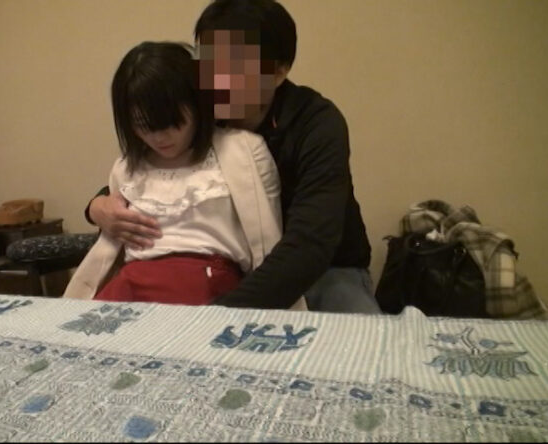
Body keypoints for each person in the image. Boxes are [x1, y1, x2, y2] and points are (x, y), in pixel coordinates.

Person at [85, 0, 381, 313]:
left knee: (364, 336)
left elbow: (311, 243)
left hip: (323, 270)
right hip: (237, 271)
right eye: (208, 63)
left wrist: (220, 315)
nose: (216, 80)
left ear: (278, 71)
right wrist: (97, 206)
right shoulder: (202, 116)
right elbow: (153, 176)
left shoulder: (316, 123)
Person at [63, 41, 285, 306]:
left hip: (209, 279)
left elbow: (270, 233)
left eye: (172, 122)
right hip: (132, 282)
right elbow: (114, 236)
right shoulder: (126, 168)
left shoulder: (244, 150)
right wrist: (97, 208)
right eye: (143, 126)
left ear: (196, 104)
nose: (159, 137)